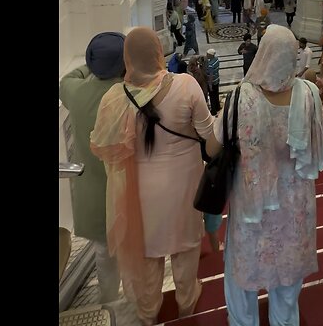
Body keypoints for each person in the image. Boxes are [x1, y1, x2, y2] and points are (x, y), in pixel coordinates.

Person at [90, 28, 223, 325]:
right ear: (157, 52)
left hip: (140, 193)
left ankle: (148, 312)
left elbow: (100, 144)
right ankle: (186, 303)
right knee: (186, 249)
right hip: (184, 187)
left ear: (128, 58)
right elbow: (210, 140)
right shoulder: (187, 85)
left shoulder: (115, 97)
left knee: (149, 256)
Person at [218, 25, 323, 326]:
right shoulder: (309, 94)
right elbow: (322, 137)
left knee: (244, 268)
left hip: (253, 204)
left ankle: (244, 322)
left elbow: (216, 141)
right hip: (294, 205)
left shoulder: (241, 97)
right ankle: (284, 320)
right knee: (288, 267)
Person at [58, 32, 126, 304]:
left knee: (104, 254)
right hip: (127, 190)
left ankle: (109, 304)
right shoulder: (127, 95)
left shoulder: (76, 92)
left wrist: (92, 62)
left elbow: (66, 80)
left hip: (95, 195)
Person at [205, 49, 221, 116]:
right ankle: (218, 107)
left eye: (207, 54)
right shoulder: (216, 59)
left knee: (212, 96)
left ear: (211, 55)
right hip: (217, 79)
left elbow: (211, 75)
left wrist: (210, 85)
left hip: (212, 82)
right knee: (216, 94)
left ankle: (213, 111)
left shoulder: (210, 64)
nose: (206, 55)